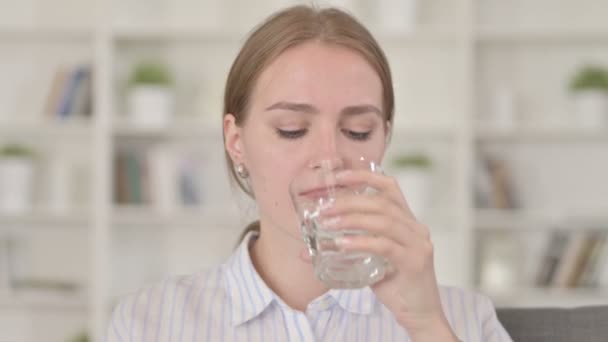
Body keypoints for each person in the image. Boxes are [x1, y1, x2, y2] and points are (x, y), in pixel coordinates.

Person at [106, 5, 512, 342]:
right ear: (236, 141)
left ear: (384, 139)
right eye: (292, 129)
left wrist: (427, 326)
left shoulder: (464, 320)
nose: (329, 157)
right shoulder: (149, 323)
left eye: (358, 131)